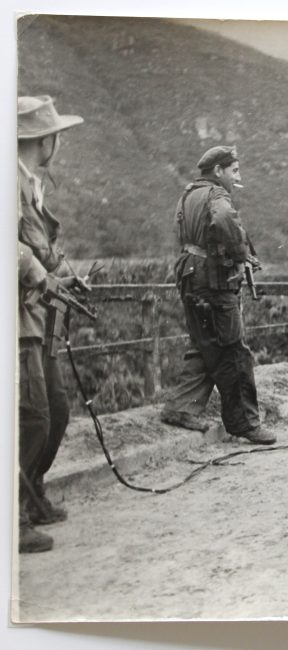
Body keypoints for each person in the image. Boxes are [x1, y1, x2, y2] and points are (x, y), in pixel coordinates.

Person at [160, 146, 274, 445]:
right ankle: (244, 424)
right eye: (234, 171)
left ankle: (181, 407)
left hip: (189, 276)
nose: (238, 177)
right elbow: (224, 218)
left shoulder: (188, 194)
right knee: (234, 350)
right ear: (218, 171)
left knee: (205, 343)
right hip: (212, 280)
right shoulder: (216, 196)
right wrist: (239, 256)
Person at [17, 95, 85, 552]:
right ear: (43, 141)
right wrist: (42, 270)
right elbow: (24, 251)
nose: (59, 142)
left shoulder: (30, 184)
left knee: (53, 410)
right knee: (32, 415)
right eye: (55, 135)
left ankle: (32, 492)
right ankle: (14, 515)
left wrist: (64, 276)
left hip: (37, 312)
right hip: (20, 312)